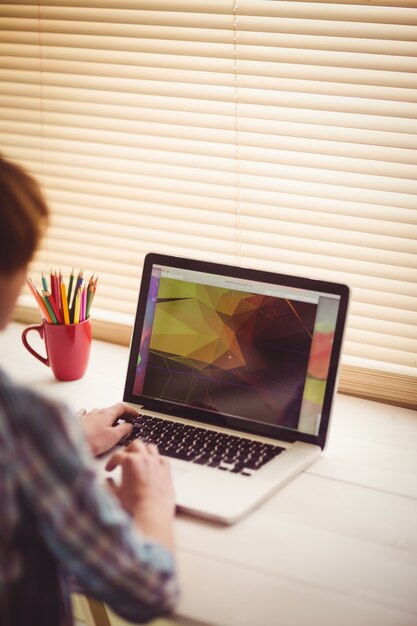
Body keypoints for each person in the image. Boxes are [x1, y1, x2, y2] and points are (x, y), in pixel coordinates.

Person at [0, 155, 179, 625]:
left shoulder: (26, 435)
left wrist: (65, 446)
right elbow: (147, 591)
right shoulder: (26, 424)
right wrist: (154, 499)